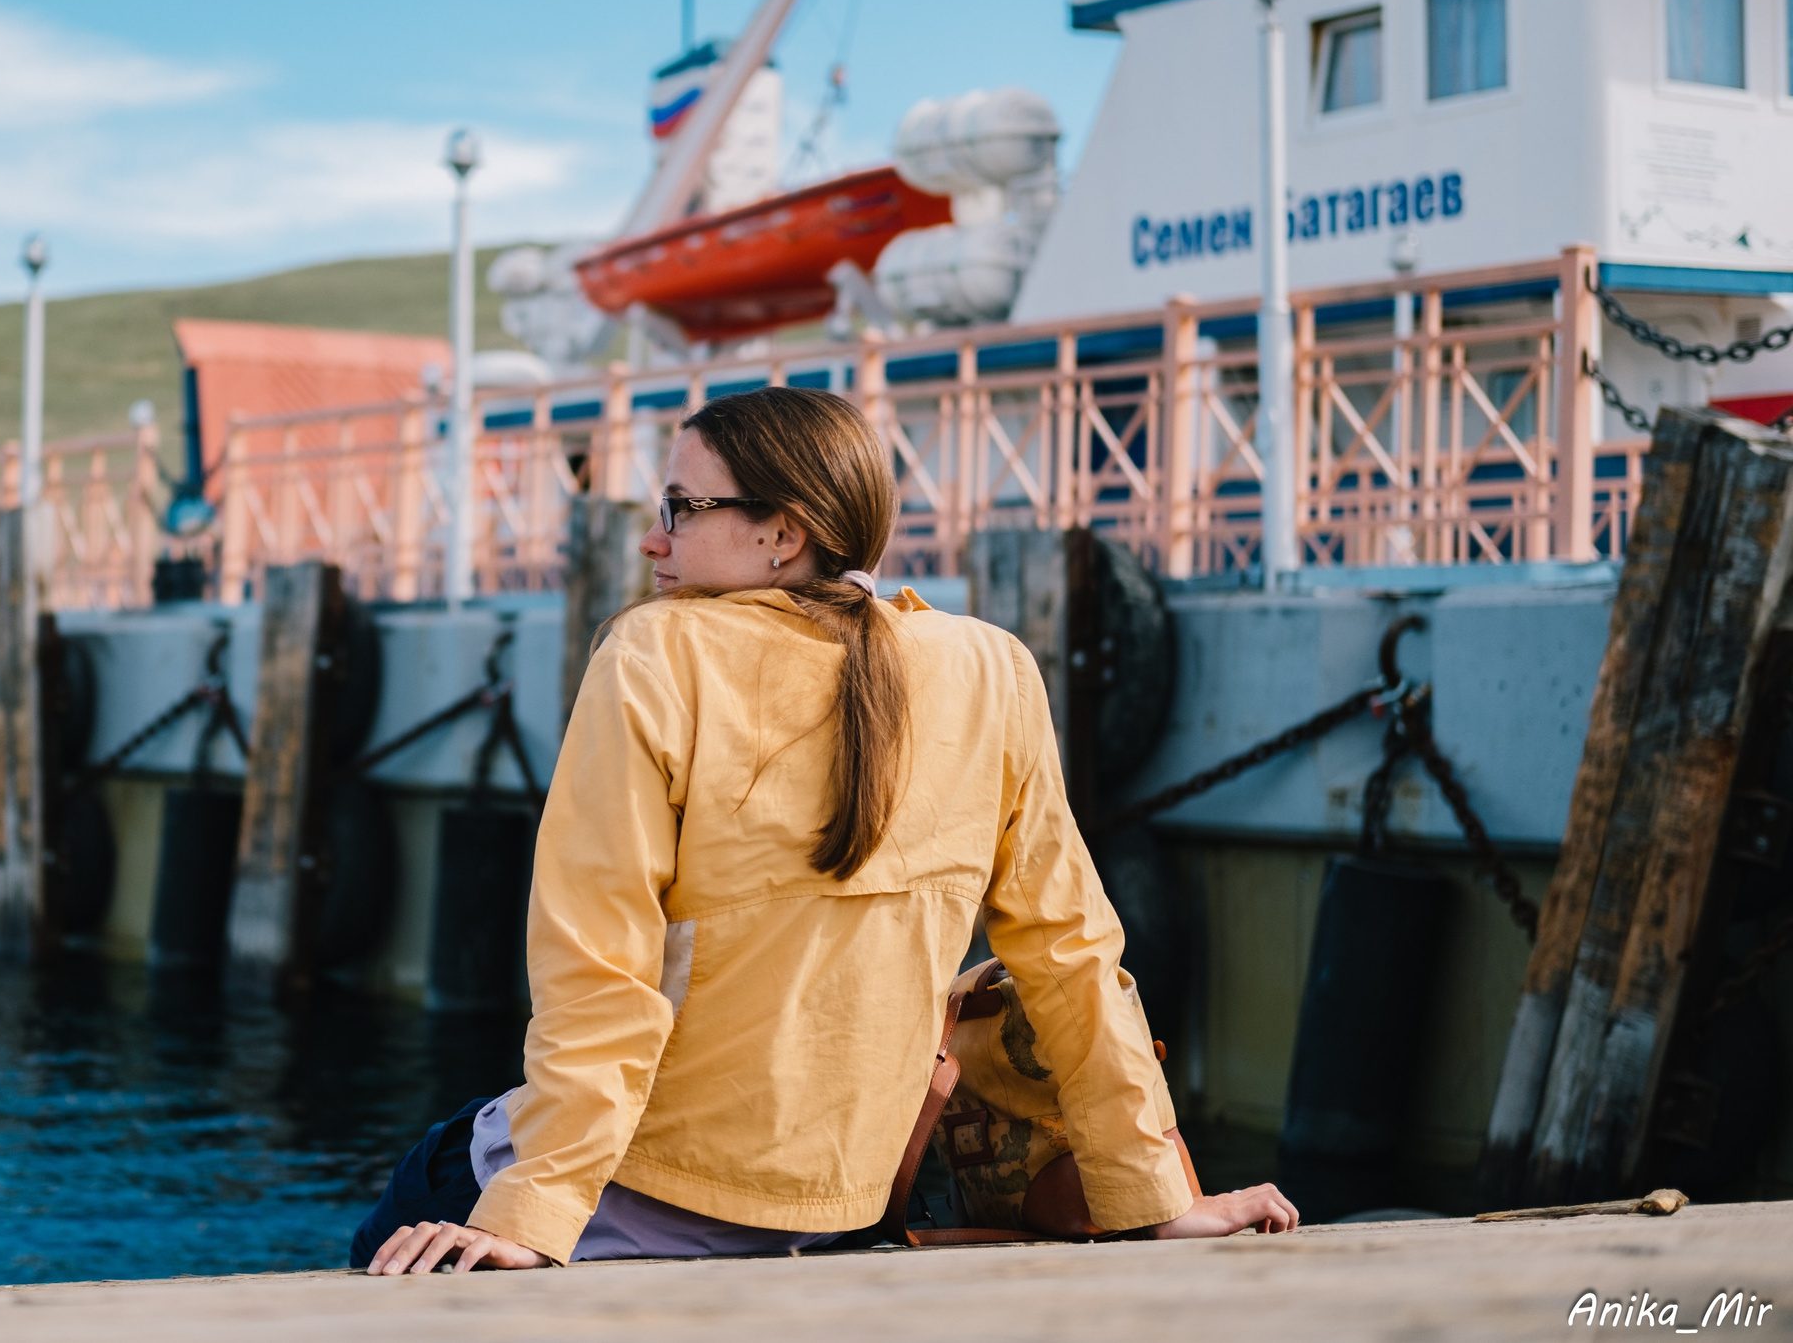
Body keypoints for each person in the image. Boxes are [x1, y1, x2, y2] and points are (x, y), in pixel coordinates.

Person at [357, 386, 1297, 1274]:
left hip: (633, 1194)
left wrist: (531, 1212)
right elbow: (1072, 953)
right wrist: (1153, 1194)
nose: (653, 538)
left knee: (405, 1209)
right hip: (839, 1208)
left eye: (681, 507)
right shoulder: (992, 669)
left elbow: (599, 965)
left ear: (782, 532)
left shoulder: (655, 652)